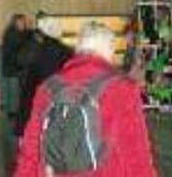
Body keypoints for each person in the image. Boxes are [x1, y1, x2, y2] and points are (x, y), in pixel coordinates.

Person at [14, 21, 157, 176]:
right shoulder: (122, 89)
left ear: (79, 49)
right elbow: (136, 153)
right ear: (109, 50)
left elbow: (31, 149)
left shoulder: (47, 88)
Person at [16, 15, 74, 138]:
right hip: (59, 99)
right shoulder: (67, 52)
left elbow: (20, 61)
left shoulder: (35, 49)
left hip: (34, 99)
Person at [0, 13, 28, 123]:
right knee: (14, 91)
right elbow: (18, 52)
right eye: (22, 22)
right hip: (13, 68)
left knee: (12, 91)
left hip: (10, 67)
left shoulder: (11, 33)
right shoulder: (14, 35)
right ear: (16, 22)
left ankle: (12, 112)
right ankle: (13, 113)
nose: (24, 24)